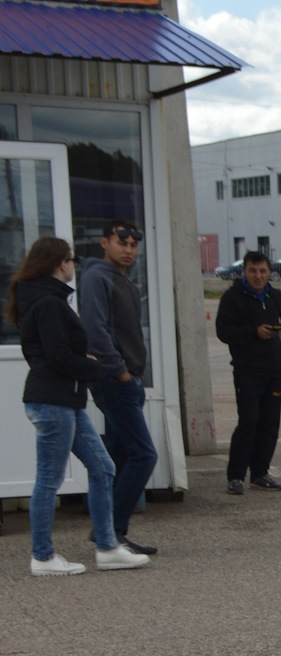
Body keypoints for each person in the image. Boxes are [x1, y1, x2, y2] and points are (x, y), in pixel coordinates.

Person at [15, 236, 147, 574]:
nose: (74, 266)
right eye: (71, 260)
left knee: (103, 467)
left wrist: (84, 363)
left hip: (65, 400)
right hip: (52, 402)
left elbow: (47, 354)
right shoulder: (49, 303)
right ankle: (42, 556)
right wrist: (94, 365)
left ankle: (107, 547)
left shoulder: (48, 300)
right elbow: (58, 356)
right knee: (49, 478)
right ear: (61, 263)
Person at [78, 219, 158, 555]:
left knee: (120, 454)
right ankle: (112, 531)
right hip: (114, 380)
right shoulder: (97, 277)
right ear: (104, 242)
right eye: (121, 242)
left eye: (133, 244)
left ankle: (106, 532)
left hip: (129, 380)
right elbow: (94, 331)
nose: (128, 249)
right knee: (144, 455)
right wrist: (121, 372)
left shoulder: (123, 280)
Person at [215, 250, 281, 495]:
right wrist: (253, 332)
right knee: (249, 421)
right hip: (247, 371)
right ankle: (236, 476)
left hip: (274, 370)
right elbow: (223, 331)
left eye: (262, 271)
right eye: (253, 271)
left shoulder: (276, 296)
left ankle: (260, 473)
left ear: (269, 272)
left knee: (270, 424)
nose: (258, 276)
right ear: (244, 271)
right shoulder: (232, 297)